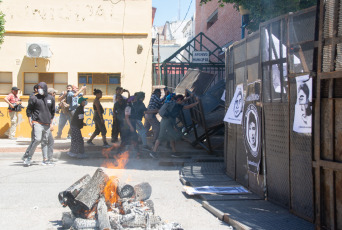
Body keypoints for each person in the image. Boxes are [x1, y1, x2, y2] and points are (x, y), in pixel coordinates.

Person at [149, 94, 199, 158]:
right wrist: (197, 102)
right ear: (179, 100)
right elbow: (188, 106)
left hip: (166, 121)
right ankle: (153, 152)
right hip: (166, 122)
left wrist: (190, 97)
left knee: (171, 136)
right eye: (182, 100)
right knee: (161, 137)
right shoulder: (177, 106)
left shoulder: (172, 102)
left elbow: (183, 100)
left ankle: (174, 152)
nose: (183, 101)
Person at [22, 82, 55, 166]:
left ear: (45, 88)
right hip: (37, 122)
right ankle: (28, 158)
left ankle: (45, 159)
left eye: (41, 87)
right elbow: (29, 110)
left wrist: (51, 123)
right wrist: (30, 120)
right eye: (38, 87)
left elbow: (52, 111)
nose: (39, 89)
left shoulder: (51, 98)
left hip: (47, 123)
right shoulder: (34, 98)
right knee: (37, 139)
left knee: (45, 141)